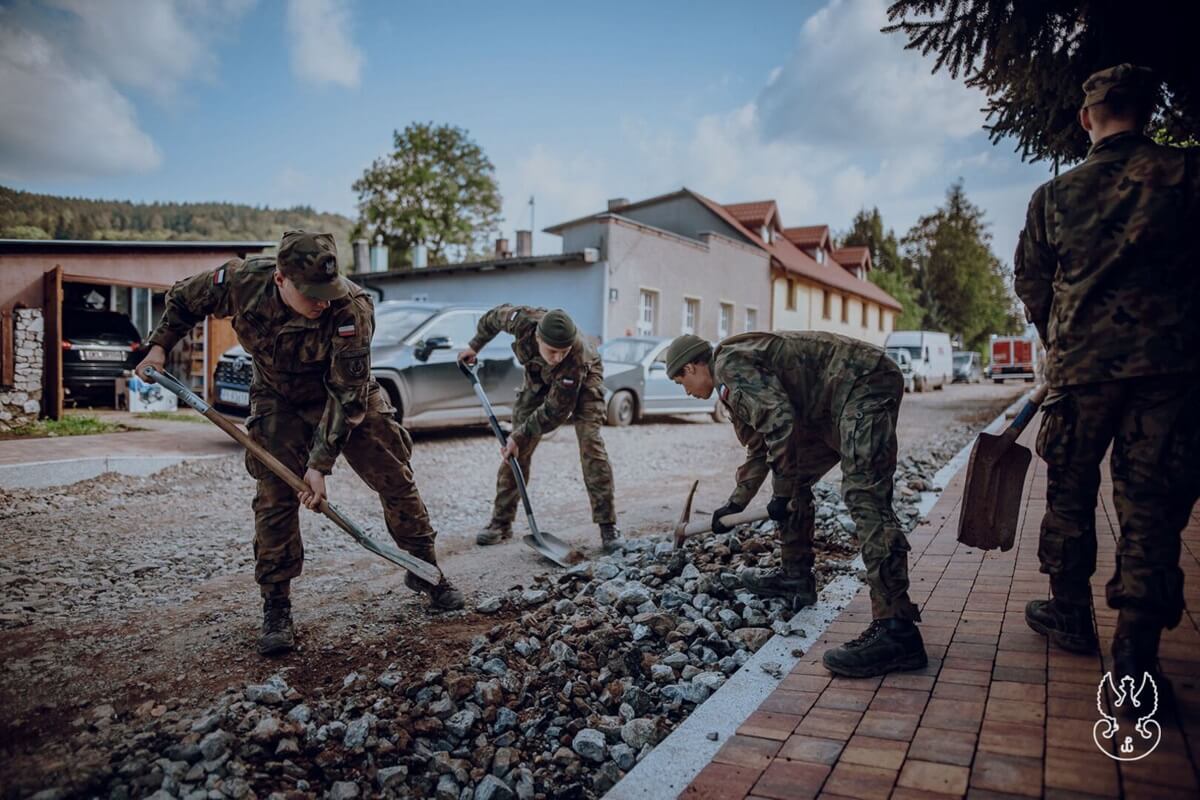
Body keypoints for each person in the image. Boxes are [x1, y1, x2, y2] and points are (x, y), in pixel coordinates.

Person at [135, 230, 464, 656]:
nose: (322, 302)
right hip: (278, 396)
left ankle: (425, 569)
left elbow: (347, 394)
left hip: (347, 395)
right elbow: (183, 300)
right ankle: (276, 604)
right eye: (311, 294)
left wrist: (320, 465)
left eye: (327, 291)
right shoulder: (241, 281)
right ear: (280, 279)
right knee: (274, 494)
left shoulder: (351, 310)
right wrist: (159, 346)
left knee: (394, 477)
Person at [1015, 64, 1199, 683]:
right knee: (1150, 508)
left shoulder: (1054, 196)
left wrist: (1060, 342)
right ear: (1148, 113)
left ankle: (1070, 615)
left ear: (1087, 117)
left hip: (1080, 374)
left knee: (1068, 498)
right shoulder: (1186, 176)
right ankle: (1133, 664)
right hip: (1168, 372)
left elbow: (1033, 285)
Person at [666, 331, 926, 678]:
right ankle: (795, 577)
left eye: (681, 379)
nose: (685, 390)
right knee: (792, 474)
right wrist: (735, 503)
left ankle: (897, 629)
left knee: (864, 494)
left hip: (864, 384)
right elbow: (761, 447)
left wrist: (782, 495)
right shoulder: (732, 386)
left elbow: (780, 423)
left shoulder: (729, 365)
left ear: (694, 365)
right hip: (831, 404)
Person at [458, 305, 622, 553]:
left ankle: (607, 525)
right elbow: (492, 319)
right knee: (516, 450)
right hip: (538, 379)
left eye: (562, 352)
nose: (557, 357)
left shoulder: (574, 358)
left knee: (590, 443)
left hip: (586, 379)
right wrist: (474, 346)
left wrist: (518, 434)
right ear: (537, 338)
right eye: (552, 351)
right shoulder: (522, 321)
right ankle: (501, 522)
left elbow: (555, 412)